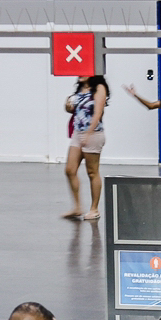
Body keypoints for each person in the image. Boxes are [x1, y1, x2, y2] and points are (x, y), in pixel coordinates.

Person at [62, 74, 108, 220]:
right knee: (70, 169)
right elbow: (77, 110)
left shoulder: (99, 88)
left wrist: (89, 132)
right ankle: (77, 207)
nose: (79, 74)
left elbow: (98, 112)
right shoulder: (80, 89)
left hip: (93, 133)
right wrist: (68, 107)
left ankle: (94, 209)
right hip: (78, 132)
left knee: (92, 172)